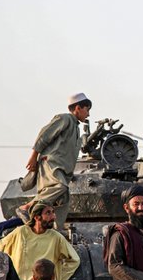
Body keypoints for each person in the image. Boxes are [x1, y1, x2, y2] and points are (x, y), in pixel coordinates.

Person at [15, 92, 92, 230]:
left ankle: (56, 229)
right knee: (59, 187)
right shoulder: (65, 119)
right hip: (51, 164)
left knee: (63, 200)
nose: (88, 114)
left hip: (62, 169)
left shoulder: (76, 128)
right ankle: (26, 208)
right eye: (87, 110)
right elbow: (44, 135)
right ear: (78, 108)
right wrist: (33, 157)